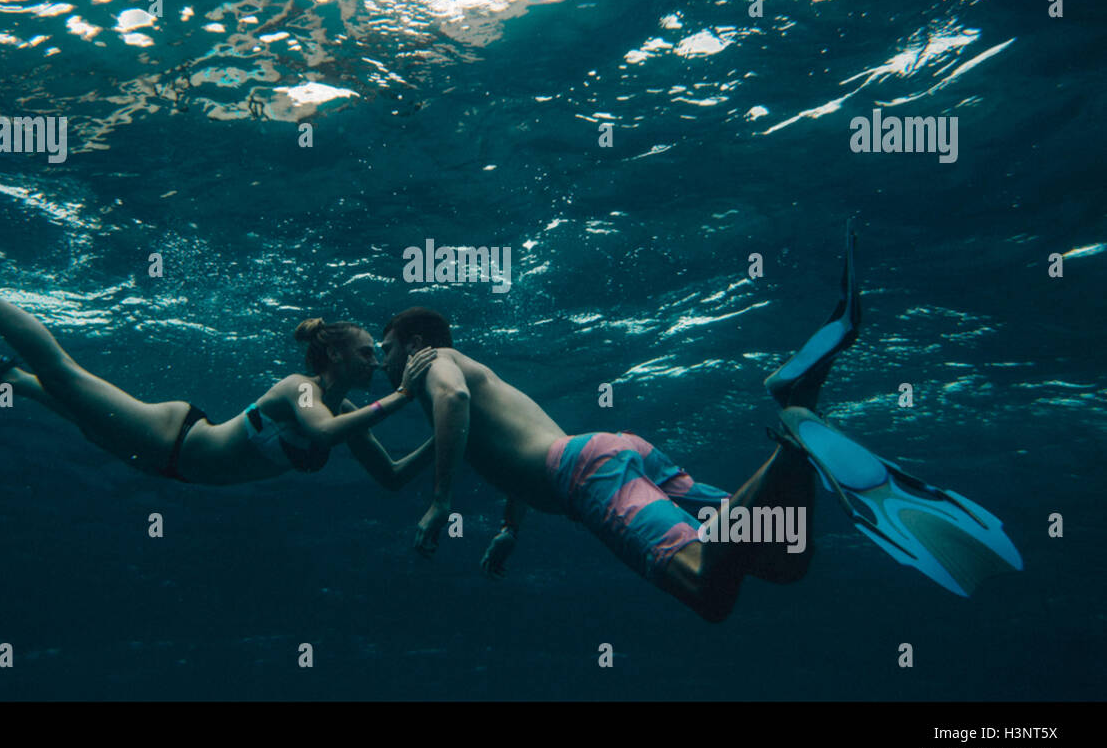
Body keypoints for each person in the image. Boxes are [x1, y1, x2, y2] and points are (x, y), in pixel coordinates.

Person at [378, 224, 1022, 621]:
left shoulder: (434, 363)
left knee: (707, 590)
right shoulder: (457, 377)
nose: (382, 360)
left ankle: (795, 433)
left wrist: (438, 503)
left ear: (410, 340)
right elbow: (504, 447)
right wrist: (510, 531)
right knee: (784, 556)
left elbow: (458, 410)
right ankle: (797, 421)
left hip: (587, 475)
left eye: (385, 347)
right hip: (615, 453)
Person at [0, 161, 436, 488]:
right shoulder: (300, 392)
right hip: (166, 439)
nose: (372, 363)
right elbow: (322, 436)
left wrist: (459, 434)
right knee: (64, 372)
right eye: (364, 353)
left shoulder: (347, 421)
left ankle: (5, 380)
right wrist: (408, 393)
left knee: (76, 408)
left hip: (164, 467)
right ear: (330, 360)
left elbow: (394, 479)